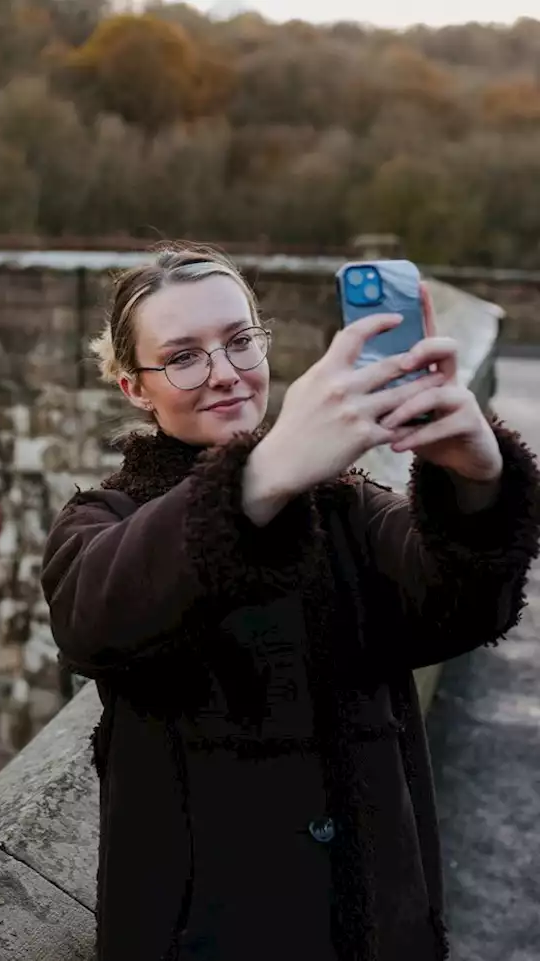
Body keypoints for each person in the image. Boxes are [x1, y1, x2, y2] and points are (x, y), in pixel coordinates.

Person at [40, 244, 540, 961]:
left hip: (378, 930)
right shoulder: (101, 520)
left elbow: (463, 606)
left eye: (240, 341)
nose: (225, 374)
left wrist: (477, 480)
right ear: (133, 388)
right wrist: (263, 474)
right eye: (183, 356)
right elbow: (94, 616)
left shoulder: (345, 506)